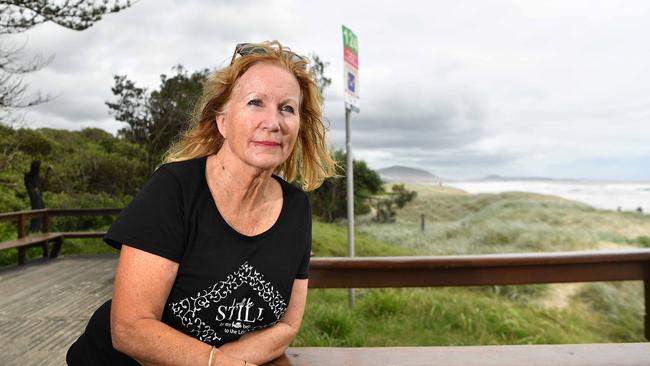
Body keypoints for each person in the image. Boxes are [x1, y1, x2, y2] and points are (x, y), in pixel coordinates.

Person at [66, 41, 336, 366]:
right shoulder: (174, 189)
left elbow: (287, 326)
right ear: (222, 121)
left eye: (287, 108)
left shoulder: (296, 208)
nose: (273, 121)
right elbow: (131, 328)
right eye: (255, 103)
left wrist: (221, 362)